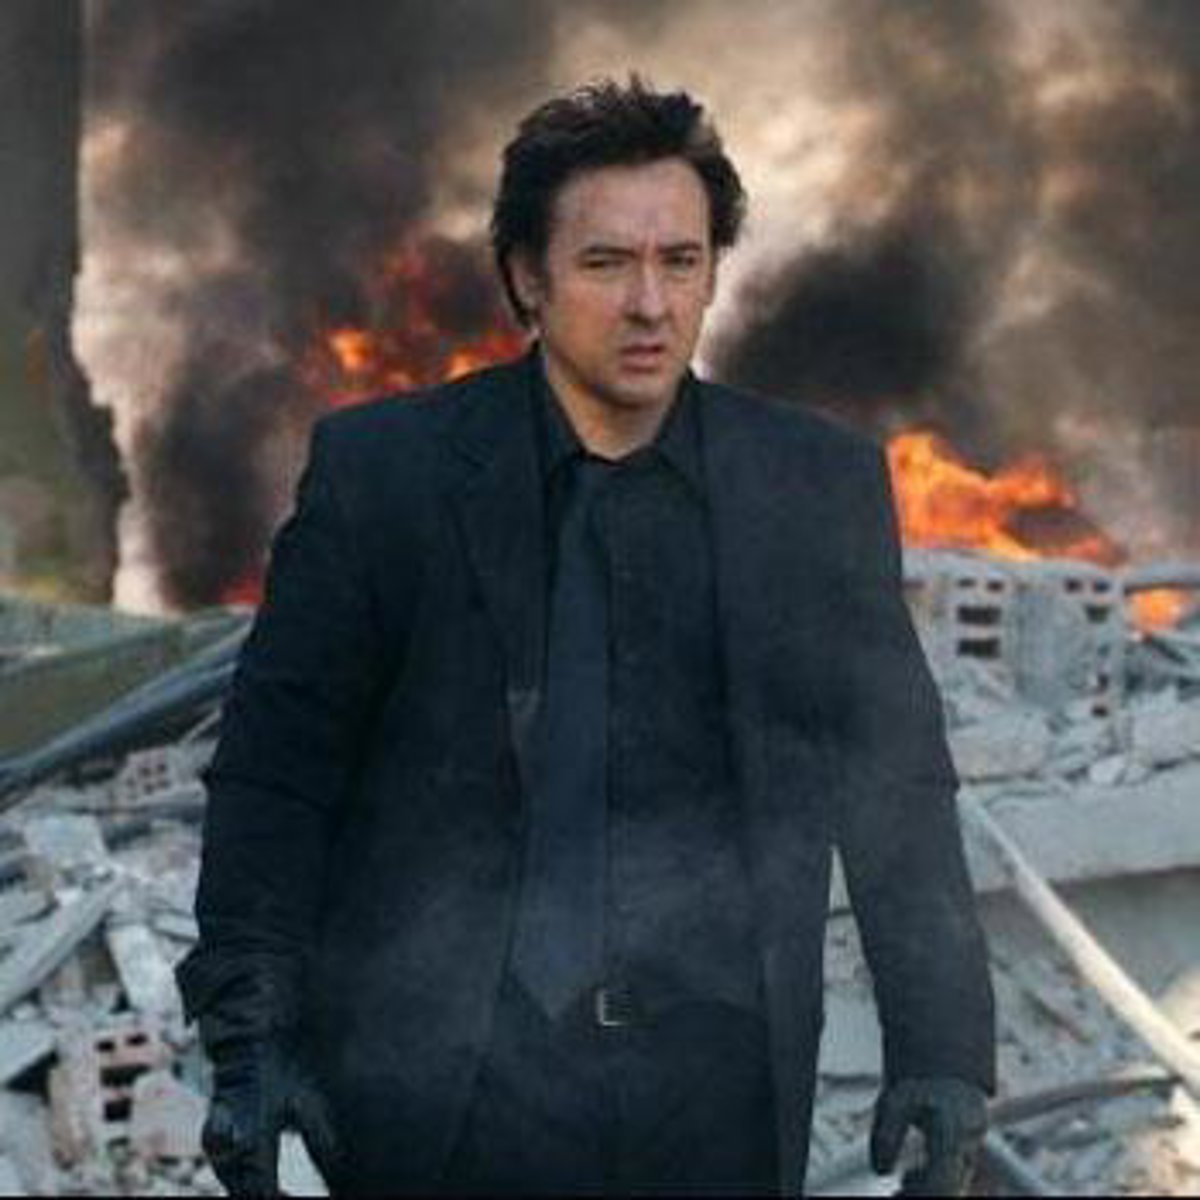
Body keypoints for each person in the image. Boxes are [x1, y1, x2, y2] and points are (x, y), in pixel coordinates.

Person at [177, 77, 995, 1196]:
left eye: (681, 261)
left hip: (717, 1095)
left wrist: (942, 1051)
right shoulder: (390, 475)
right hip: (448, 1096)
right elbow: (277, 774)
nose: (650, 304)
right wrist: (252, 1037)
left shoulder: (812, 488)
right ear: (529, 275)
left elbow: (895, 782)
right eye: (607, 263)